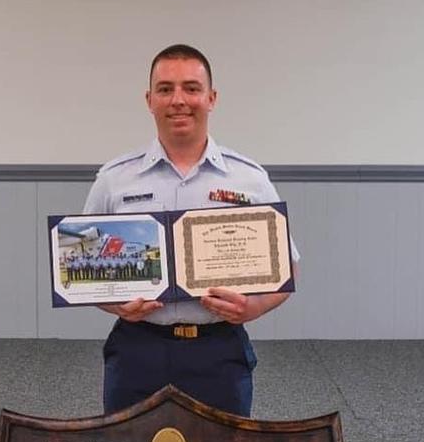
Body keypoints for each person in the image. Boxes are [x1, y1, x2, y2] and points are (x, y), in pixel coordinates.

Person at [83, 44, 299, 417]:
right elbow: (85, 269)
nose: (178, 100)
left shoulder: (249, 179)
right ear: (149, 100)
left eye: (191, 88)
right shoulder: (114, 180)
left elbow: (288, 270)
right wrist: (114, 303)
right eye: (165, 89)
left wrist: (253, 307)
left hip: (218, 351)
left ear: (211, 98)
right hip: (138, 350)